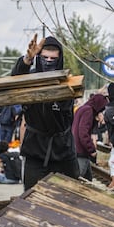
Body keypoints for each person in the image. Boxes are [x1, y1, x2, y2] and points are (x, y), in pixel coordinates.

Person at [11, 33, 79, 191]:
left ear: (59, 59)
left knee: (71, 196)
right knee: (31, 196)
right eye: (45, 58)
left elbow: (64, 114)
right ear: (39, 57)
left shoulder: (67, 81)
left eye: (53, 59)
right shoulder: (30, 79)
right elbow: (15, 80)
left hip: (63, 149)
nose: (48, 61)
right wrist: (28, 59)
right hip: (35, 149)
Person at [71, 93, 108, 181]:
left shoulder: (83, 108)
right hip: (81, 151)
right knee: (78, 180)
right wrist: (91, 149)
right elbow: (83, 132)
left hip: (77, 148)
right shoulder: (88, 111)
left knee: (88, 180)